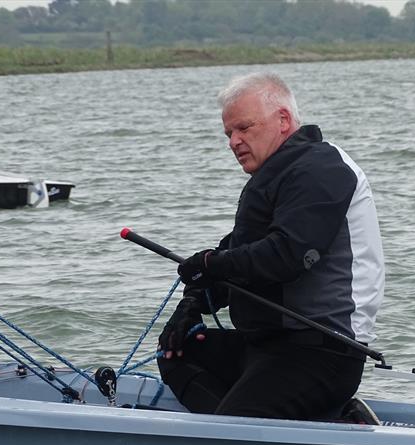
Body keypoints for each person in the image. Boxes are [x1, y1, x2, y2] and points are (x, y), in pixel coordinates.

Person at [157, 72, 385, 421]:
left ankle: (276, 429)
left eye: (244, 128)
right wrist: (194, 301)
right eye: (229, 133)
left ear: (283, 120)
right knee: (177, 350)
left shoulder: (321, 168)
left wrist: (212, 263)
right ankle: (310, 425)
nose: (234, 141)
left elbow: (286, 257)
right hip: (266, 347)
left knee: (232, 430)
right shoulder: (275, 176)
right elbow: (238, 259)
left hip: (320, 356)